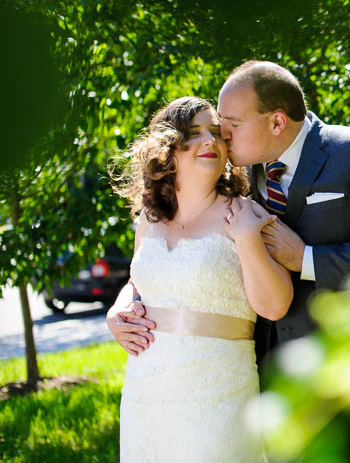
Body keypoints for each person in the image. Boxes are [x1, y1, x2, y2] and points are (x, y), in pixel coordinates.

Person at [108, 60, 350, 368]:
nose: (221, 136)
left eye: (232, 124)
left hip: (347, 359)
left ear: (277, 123)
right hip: (259, 368)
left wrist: (306, 259)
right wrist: (120, 308)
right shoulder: (233, 171)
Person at [111, 96, 293, 462]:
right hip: (145, 392)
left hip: (218, 392)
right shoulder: (149, 219)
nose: (210, 141)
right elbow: (141, 280)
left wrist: (245, 238)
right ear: (168, 148)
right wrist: (116, 312)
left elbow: (275, 306)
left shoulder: (245, 214)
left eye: (216, 133)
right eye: (194, 134)